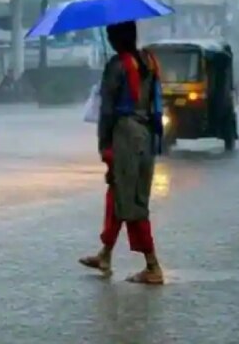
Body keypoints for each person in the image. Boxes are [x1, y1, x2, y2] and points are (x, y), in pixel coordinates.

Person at [79, 21, 165, 285]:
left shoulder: (116, 66)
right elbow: (158, 102)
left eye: (110, 35)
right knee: (118, 192)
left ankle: (152, 266)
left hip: (125, 135)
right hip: (146, 133)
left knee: (131, 201)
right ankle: (105, 254)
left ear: (117, 38)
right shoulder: (150, 61)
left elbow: (106, 110)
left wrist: (104, 145)